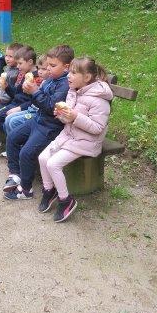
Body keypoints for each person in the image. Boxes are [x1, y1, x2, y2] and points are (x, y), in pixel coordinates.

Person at [38, 57, 113, 222]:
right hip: (69, 137)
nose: (68, 76)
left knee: (53, 164)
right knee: (43, 158)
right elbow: (69, 119)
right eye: (69, 72)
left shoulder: (99, 100)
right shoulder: (74, 92)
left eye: (73, 73)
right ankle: (49, 190)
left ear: (87, 77)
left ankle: (66, 200)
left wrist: (75, 116)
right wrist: (62, 115)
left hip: (87, 142)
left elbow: (97, 128)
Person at [3, 45, 74, 201]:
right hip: (38, 120)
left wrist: (35, 91)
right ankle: (15, 174)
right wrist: (31, 90)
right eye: (48, 65)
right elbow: (39, 99)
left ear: (66, 67)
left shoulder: (65, 85)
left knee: (26, 153)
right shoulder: (51, 79)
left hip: (50, 127)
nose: (48, 68)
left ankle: (26, 189)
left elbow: (51, 107)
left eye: (52, 65)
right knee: (12, 137)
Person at [0, 45, 37, 155]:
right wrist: (6, 86)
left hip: (23, 107)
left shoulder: (35, 78)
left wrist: (19, 108)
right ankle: (8, 143)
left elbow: (34, 100)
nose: (18, 66)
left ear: (30, 62)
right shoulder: (23, 74)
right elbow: (16, 94)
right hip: (15, 103)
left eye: (20, 63)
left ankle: (10, 144)